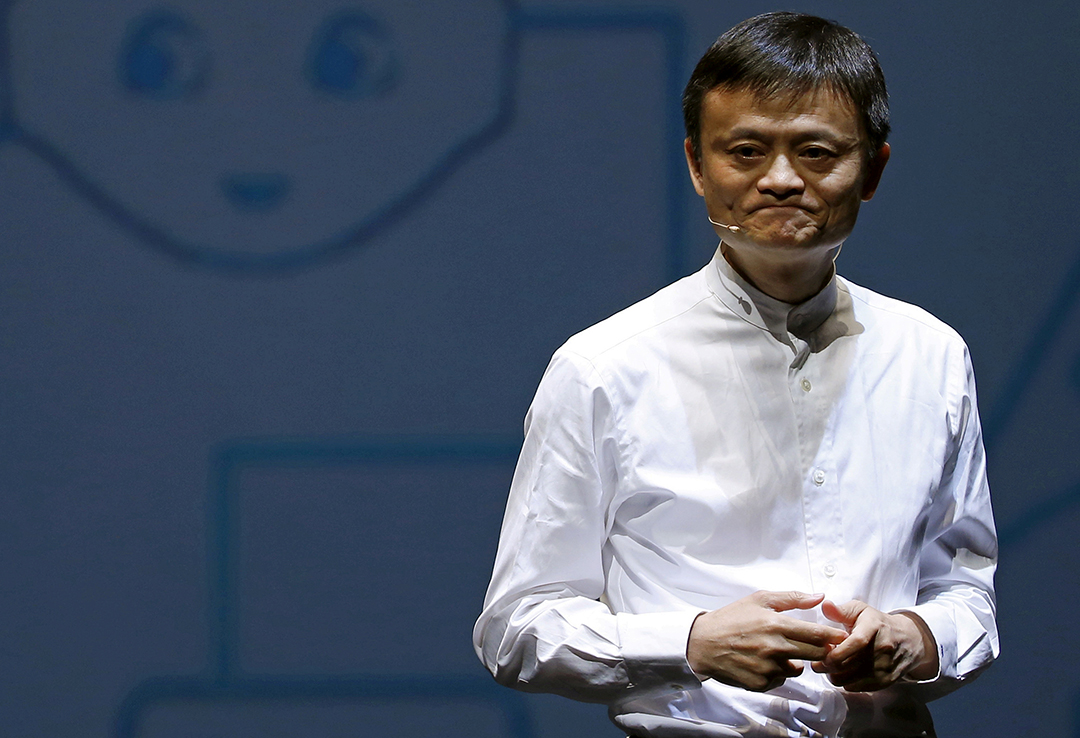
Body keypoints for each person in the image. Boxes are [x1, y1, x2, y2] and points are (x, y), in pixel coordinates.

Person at [473, 11, 997, 737]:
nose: (780, 179)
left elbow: (967, 592)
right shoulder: (604, 367)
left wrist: (917, 638)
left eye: (816, 152)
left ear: (873, 168)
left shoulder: (931, 354)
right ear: (697, 164)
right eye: (746, 151)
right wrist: (690, 644)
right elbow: (516, 627)